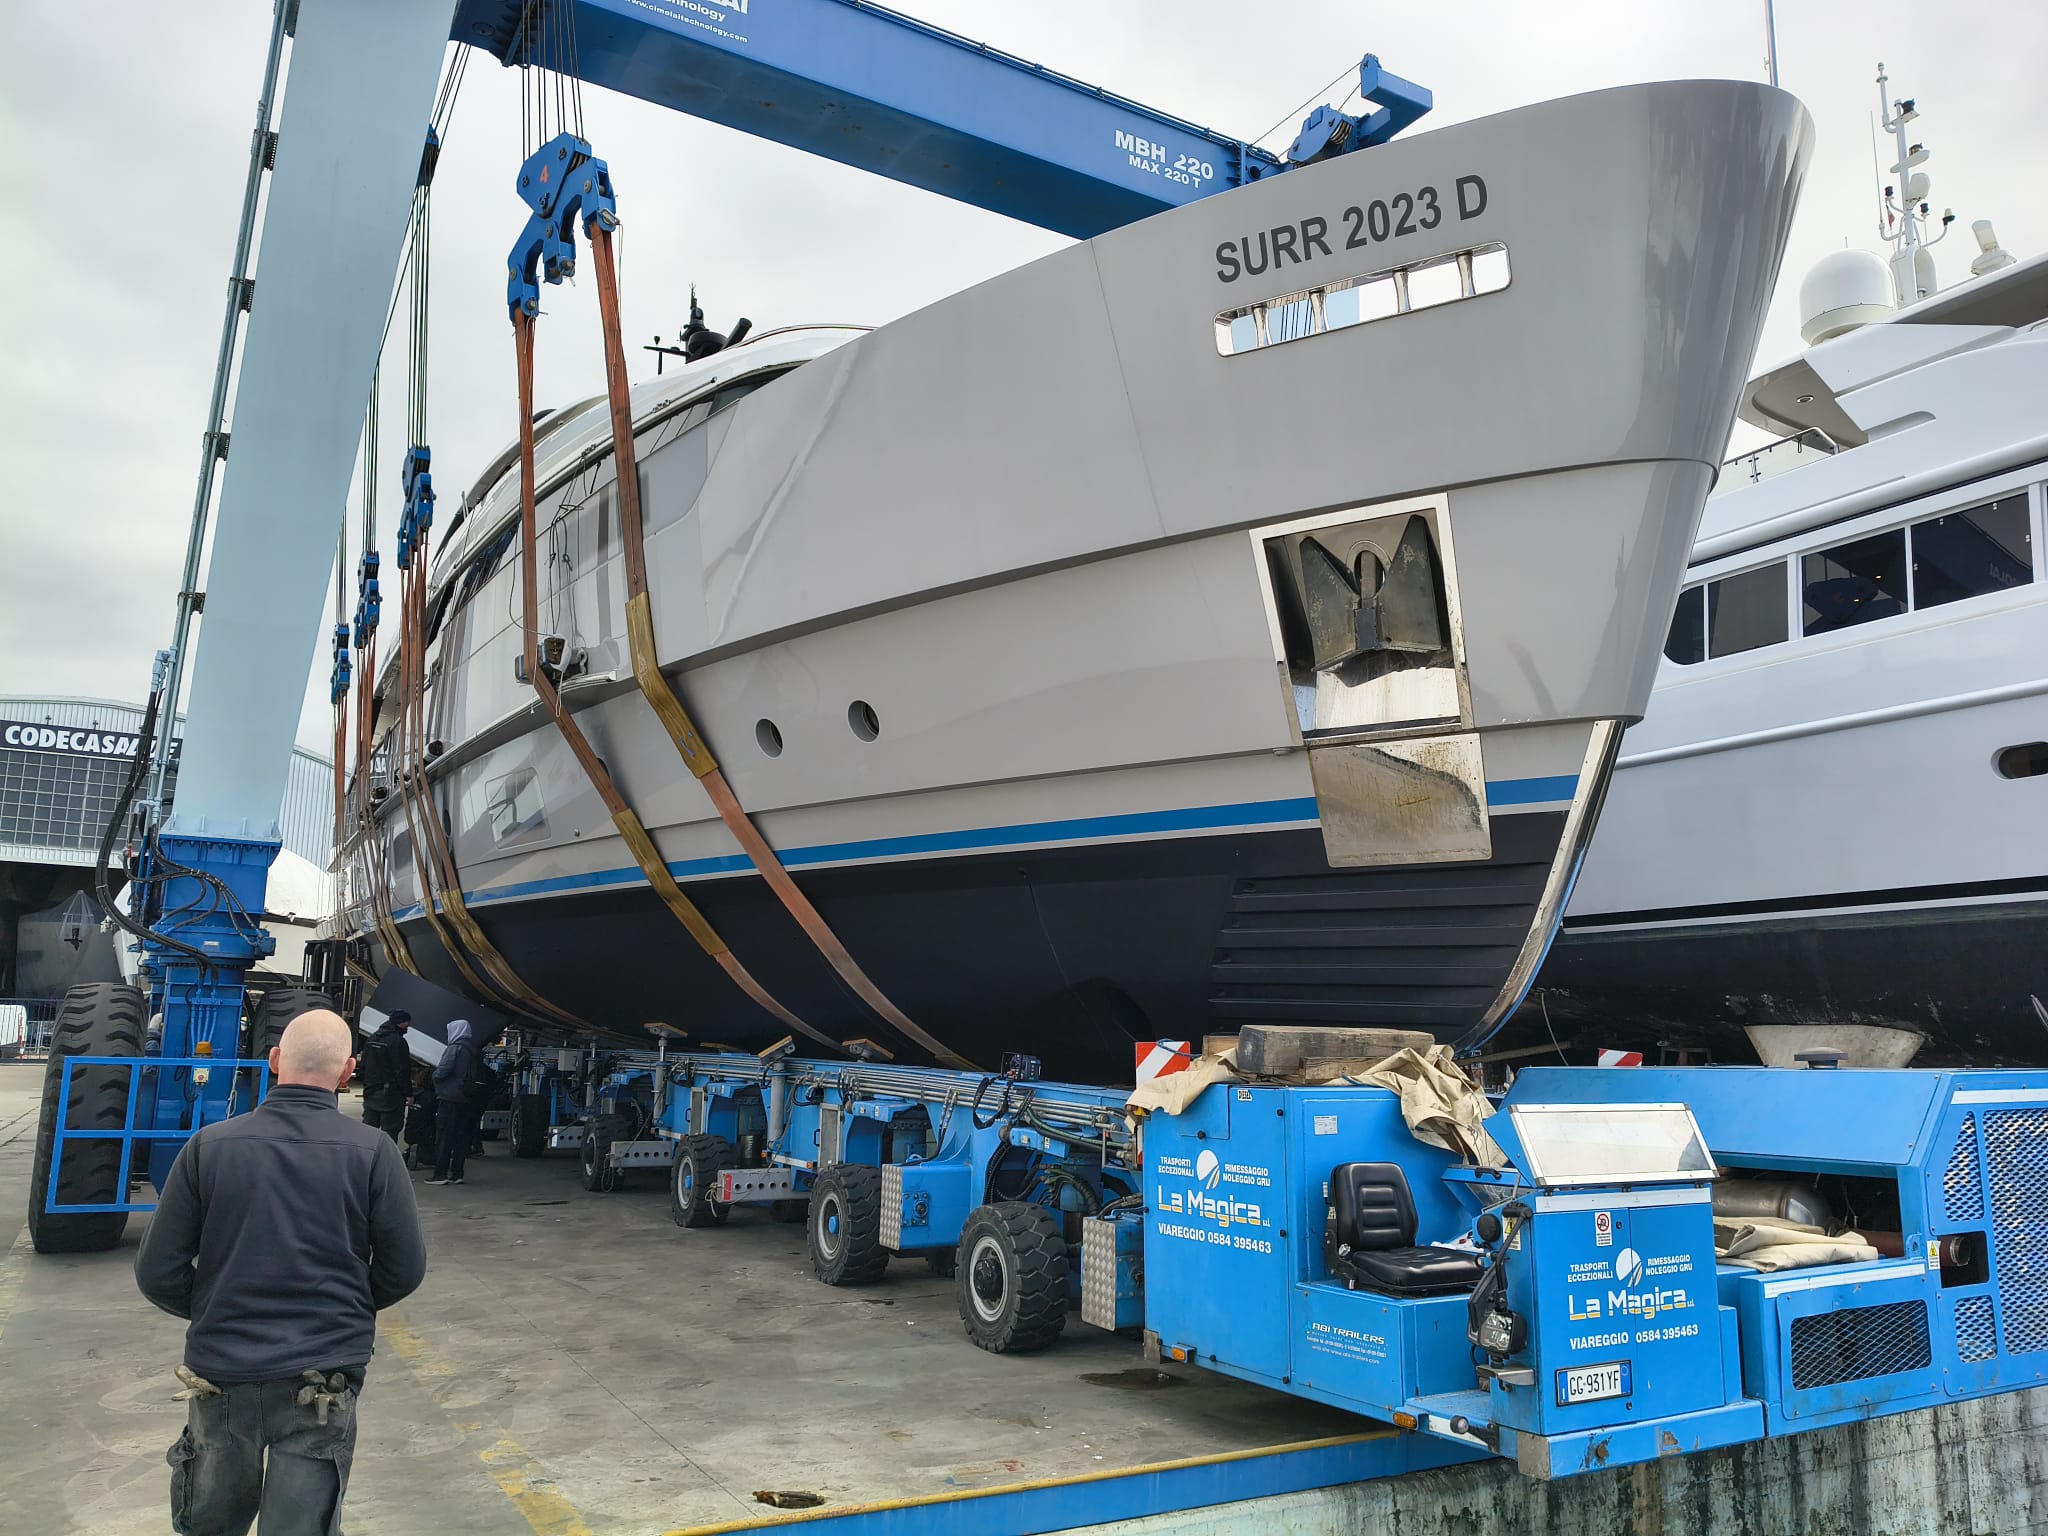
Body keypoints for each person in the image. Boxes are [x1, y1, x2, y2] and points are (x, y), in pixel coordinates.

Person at [135, 1009, 426, 1536]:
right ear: (348, 1071)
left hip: (222, 1368)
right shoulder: (374, 1152)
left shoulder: (208, 1147)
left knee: (210, 1524)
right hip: (323, 1374)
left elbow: (157, 1271)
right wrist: (342, 1309)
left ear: (273, 1061)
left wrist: (217, 1307)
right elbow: (404, 1268)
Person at [428, 1018, 479, 1186]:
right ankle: (457, 1173)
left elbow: (444, 1069)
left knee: (444, 1136)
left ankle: (440, 1174)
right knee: (460, 1137)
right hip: (465, 1097)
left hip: (449, 1096)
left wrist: (434, 1077)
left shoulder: (455, 1048)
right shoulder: (471, 1049)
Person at [357, 1009, 413, 1142]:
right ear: (401, 1022)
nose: (408, 1027)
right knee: (390, 1133)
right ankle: (385, 1156)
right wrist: (408, 1093)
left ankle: (365, 1154)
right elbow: (402, 1071)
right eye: (407, 1023)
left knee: (368, 1131)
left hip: (370, 1091)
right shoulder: (398, 1042)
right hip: (390, 1096)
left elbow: (363, 1065)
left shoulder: (372, 1038)